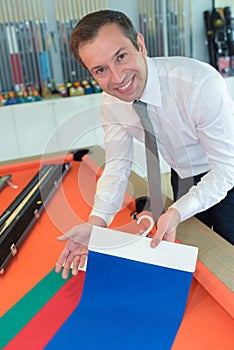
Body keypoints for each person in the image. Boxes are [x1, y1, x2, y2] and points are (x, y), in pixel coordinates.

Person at [55, 9, 234, 279]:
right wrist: (98, 223)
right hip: (182, 172)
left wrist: (176, 211)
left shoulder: (199, 83)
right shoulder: (112, 102)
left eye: (121, 56)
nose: (117, 78)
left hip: (226, 172)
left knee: (227, 258)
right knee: (196, 248)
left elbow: (226, 170)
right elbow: (116, 167)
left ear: (140, 44)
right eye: (101, 70)